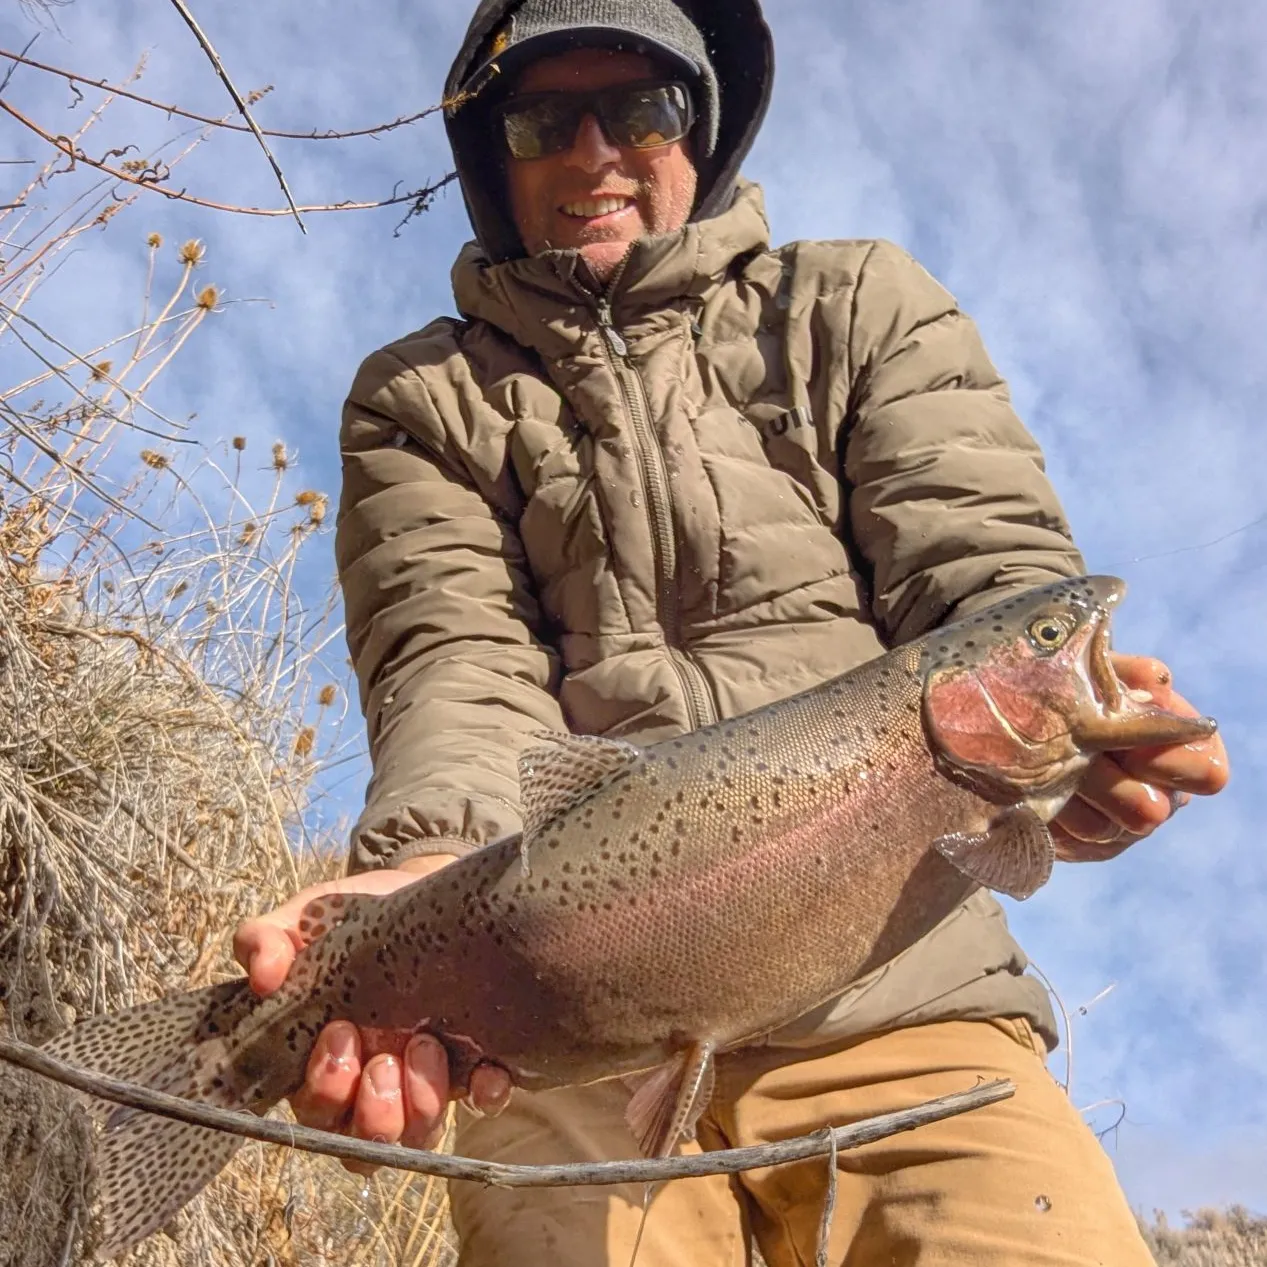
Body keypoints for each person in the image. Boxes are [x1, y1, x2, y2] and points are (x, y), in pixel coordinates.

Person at [235, 1, 1229, 1262]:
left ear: (696, 130)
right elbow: (456, 671)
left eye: (639, 108)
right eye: (545, 119)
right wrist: (422, 874)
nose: (595, 151)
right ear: (497, 157)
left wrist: (1070, 754)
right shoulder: (420, 400)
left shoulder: (859, 301)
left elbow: (985, 583)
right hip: (570, 1023)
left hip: (905, 1000)